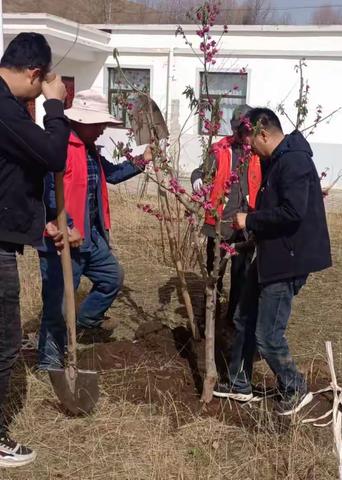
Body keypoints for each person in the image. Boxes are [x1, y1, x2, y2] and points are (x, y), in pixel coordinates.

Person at [213, 108, 332, 416]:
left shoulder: (294, 162)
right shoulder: (277, 160)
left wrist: (250, 219)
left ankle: (295, 386)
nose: (249, 149)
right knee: (242, 317)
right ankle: (240, 383)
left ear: (264, 133)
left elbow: (293, 212)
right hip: (270, 254)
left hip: (287, 261)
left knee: (267, 335)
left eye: (252, 142)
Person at [36, 89, 151, 370]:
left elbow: (111, 174)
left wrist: (143, 159)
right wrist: (69, 227)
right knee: (57, 306)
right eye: (98, 124)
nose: (102, 130)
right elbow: (50, 195)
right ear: (81, 121)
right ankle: (50, 363)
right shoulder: (58, 149)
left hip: (91, 236)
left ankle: (82, 322)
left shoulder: (89, 151)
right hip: (63, 240)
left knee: (112, 277)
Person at [0, 32, 69, 466]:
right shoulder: (5, 109)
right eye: (39, 84)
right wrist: (55, 105)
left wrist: (38, 218)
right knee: (5, 343)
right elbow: (53, 154)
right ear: (34, 73)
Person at [190, 105, 261, 324]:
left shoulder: (259, 153)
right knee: (214, 275)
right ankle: (208, 320)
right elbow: (200, 172)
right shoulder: (220, 150)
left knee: (241, 276)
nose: (246, 135)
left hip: (246, 227)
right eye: (242, 130)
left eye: (249, 130)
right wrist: (197, 180)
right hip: (219, 225)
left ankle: (233, 321)